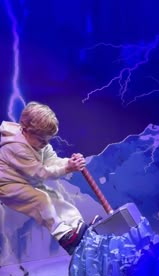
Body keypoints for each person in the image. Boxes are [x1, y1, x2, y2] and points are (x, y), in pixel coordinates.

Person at [0, 101, 100, 255]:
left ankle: (77, 228)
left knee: (55, 197)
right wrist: (68, 168)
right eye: (42, 140)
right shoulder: (15, 147)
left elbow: (51, 161)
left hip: (26, 180)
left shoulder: (39, 141)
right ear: (25, 130)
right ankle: (65, 237)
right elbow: (41, 173)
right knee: (41, 200)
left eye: (48, 140)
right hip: (8, 185)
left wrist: (69, 162)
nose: (45, 144)